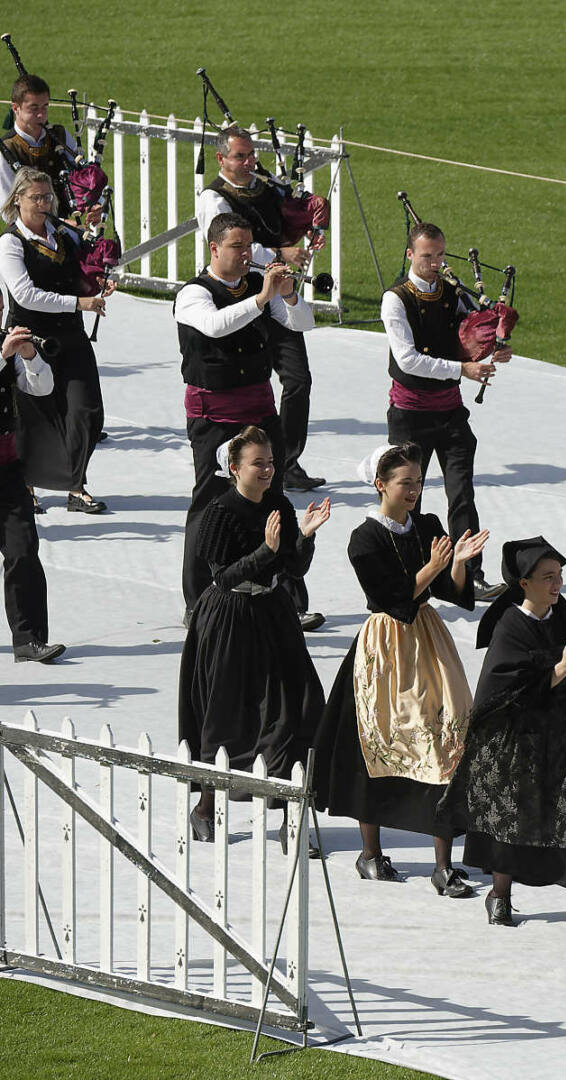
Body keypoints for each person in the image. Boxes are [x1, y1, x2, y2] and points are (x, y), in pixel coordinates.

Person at [439, 536, 566, 936]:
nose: (557, 585)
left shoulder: (559, 613)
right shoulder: (511, 624)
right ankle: (500, 895)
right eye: (548, 577)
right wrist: (559, 672)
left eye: (560, 576)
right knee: (515, 820)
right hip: (522, 741)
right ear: (524, 583)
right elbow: (502, 692)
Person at [312, 444, 488, 892]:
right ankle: (370, 853)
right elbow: (393, 598)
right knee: (374, 744)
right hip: (385, 645)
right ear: (381, 485)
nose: (414, 490)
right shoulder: (364, 539)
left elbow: (450, 591)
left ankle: (443, 864)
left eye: (418, 482)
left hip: (428, 641)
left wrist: (460, 565)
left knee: (445, 739)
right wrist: (431, 566)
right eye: (405, 482)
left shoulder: (427, 524)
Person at [178, 426, 330, 848]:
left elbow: (293, 568)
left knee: (297, 708)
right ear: (234, 468)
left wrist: (306, 537)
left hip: (273, 614)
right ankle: (206, 806)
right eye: (257, 463)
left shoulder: (279, 502)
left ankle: (289, 814)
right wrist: (264, 550)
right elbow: (223, 578)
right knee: (225, 712)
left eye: (270, 461)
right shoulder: (219, 512)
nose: (267, 469)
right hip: (229, 619)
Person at [174, 212, 322, 629]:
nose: (245, 255)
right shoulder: (193, 294)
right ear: (214, 249)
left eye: (248, 246)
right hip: (214, 417)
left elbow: (302, 324)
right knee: (209, 505)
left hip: (258, 410)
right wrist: (262, 298)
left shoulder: (260, 286)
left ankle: (288, 594)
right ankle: (199, 598)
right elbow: (216, 326)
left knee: (274, 499)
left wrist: (290, 296)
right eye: (237, 247)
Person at [381, 221, 508, 601]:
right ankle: (410, 574)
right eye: (426, 257)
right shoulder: (396, 299)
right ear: (409, 255)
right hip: (410, 413)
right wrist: (463, 370)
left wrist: (493, 348)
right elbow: (407, 361)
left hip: (451, 412)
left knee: (462, 495)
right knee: (408, 497)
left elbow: (471, 336)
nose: (435, 263)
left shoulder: (454, 293)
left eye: (439, 255)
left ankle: (470, 574)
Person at [196, 125, 324, 491]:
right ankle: (243, 464)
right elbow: (228, 245)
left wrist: (309, 225)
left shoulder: (264, 186)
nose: (249, 162)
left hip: (277, 294)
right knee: (245, 384)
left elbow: (284, 220)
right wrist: (280, 253)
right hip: (239, 295)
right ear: (221, 159)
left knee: (298, 379)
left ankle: (287, 460)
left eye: (252, 155)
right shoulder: (213, 198)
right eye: (240, 156)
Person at [0, 166, 110, 514]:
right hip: (30, 338)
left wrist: (96, 283)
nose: (45, 203)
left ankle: (75, 486)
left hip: (71, 336)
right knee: (33, 416)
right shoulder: (9, 243)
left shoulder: (65, 234)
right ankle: (26, 482)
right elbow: (25, 294)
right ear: (17, 200)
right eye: (37, 197)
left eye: (48, 197)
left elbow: (85, 269)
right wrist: (78, 302)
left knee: (87, 412)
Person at [0, 320, 63, 661]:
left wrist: (29, 358)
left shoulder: (6, 351)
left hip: (7, 468)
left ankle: (28, 639)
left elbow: (42, 388)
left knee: (23, 549)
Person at [1, 74, 93, 216]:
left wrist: (92, 204)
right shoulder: (6, 149)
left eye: (45, 107)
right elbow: (9, 212)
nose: (41, 115)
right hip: (28, 235)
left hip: (70, 227)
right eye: (34, 108)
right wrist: (59, 226)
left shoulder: (60, 135)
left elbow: (82, 176)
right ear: (15, 108)